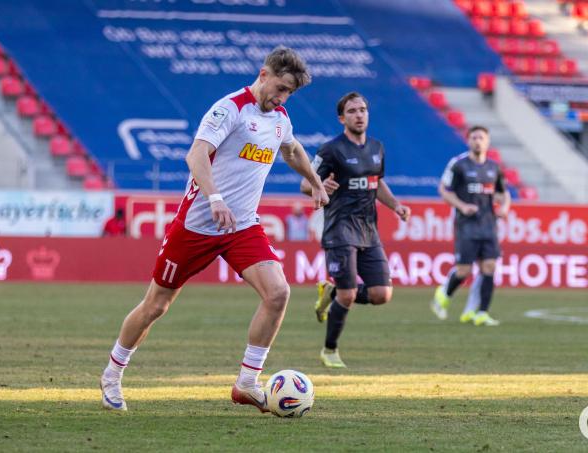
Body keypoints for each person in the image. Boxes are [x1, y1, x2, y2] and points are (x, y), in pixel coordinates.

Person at [99, 46, 329, 412]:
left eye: (290, 93)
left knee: (278, 293)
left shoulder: (280, 118)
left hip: (242, 227)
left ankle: (247, 383)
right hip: (197, 225)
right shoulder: (230, 109)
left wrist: (315, 181)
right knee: (156, 306)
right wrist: (215, 199)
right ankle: (112, 374)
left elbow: (292, 150)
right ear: (264, 74)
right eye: (281, 88)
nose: (283, 97)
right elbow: (195, 155)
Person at [300, 92, 411, 368]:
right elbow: (305, 184)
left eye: (362, 110)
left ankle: (331, 292)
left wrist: (396, 205)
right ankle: (330, 350)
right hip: (339, 229)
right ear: (342, 118)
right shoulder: (331, 150)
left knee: (381, 294)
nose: (359, 115)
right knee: (348, 295)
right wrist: (319, 186)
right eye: (352, 111)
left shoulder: (377, 148)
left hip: (368, 230)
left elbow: (377, 182)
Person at [430, 125, 510, 326]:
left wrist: (504, 207)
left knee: (489, 267)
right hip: (466, 225)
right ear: (468, 141)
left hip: (488, 224)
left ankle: (480, 313)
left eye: (481, 138)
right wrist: (462, 206)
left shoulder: (494, 167)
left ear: (488, 142)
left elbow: (502, 193)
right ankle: (444, 292)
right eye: (474, 137)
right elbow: (444, 190)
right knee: (464, 270)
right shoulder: (459, 165)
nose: (478, 141)